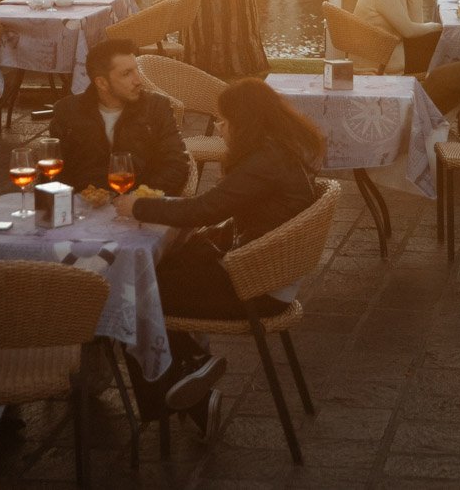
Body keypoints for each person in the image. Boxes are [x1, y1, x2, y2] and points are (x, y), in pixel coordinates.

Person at [113, 78, 325, 433]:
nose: (220, 127)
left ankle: (174, 396)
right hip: (265, 272)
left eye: (225, 120)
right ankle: (192, 367)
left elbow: (204, 209)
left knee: (132, 292)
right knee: (159, 271)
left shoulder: (266, 161)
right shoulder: (280, 149)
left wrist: (139, 207)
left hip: (255, 287)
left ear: (247, 122)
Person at [49, 38, 190, 196]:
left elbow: (177, 165)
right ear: (102, 83)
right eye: (127, 74)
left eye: (136, 70)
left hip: (140, 209)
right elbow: (53, 174)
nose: (138, 80)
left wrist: (142, 198)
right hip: (84, 209)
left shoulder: (156, 107)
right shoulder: (68, 111)